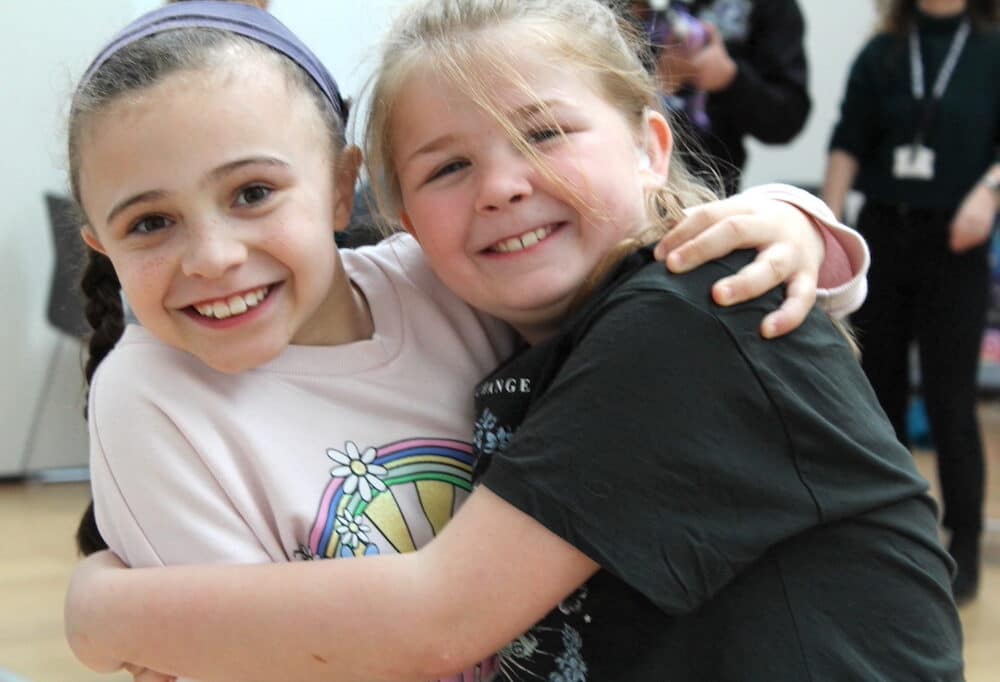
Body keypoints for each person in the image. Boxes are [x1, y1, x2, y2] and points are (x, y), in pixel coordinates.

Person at [65, 2, 961, 681]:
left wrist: (99, 612)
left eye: (545, 133)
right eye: (449, 166)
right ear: (402, 214)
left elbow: (439, 617)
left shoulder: (691, 312)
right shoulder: (481, 295)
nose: (499, 188)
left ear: (653, 146)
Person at [822, 0, 999, 605]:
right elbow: (847, 141)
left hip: (956, 242)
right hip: (883, 237)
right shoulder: (884, 52)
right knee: (876, 398)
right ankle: (889, 540)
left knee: (951, 401)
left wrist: (990, 191)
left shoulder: (991, 48)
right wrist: (827, 228)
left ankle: (965, 543)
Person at [632, 0, 811, 195]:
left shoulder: (771, 7)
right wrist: (654, 78)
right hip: (627, 176)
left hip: (714, 187)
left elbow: (788, 116)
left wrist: (730, 78)